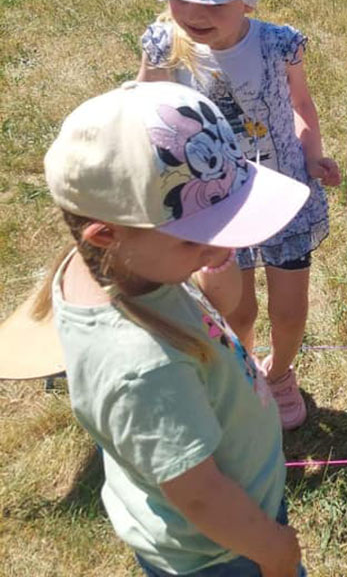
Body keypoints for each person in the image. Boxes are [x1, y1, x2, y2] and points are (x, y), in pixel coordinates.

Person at [38, 80, 310, 576]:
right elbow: (199, 495)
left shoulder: (125, 269)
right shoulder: (142, 369)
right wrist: (274, 550)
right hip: (223, 552)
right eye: (196, 237)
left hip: (238, 519)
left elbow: (213, 309)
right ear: (106, 234)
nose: (224, 247)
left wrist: (207, 261)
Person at [137, 0, 340, 431]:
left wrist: (313, 153)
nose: (194, 11)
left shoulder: (278, 44)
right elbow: (144, 115)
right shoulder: (165, 45)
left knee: (290, 309)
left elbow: (301, 106)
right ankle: (243, 371)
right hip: (212, 205)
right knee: (234, 306)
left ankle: (280, 373)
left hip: (281, 192)